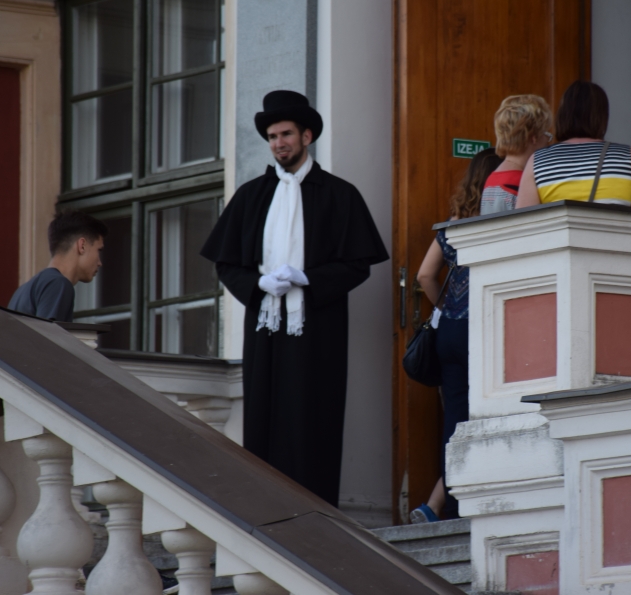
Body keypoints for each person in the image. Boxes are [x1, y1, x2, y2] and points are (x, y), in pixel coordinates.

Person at [200, 90, 389, 507]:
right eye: (272, 136)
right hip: (265, 327)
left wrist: (309, 279)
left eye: (286, 134)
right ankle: (266, 508)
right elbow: (227, 265)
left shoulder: (339, 194)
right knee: (264, 415)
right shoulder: (251, 196)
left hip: (318, 328)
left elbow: (358, 264)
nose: (278, 143)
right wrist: (258, 285)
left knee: (313, 415)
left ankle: (316, 513)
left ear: (307, 136)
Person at [410, 147, 502, 523]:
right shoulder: (500, 221)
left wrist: (447, 307)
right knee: (491, 415)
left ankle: (444, 508)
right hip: (485, 329)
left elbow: (424, 275)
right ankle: (469, 502)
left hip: (449, 330)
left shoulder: (454, 224)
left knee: (455, 421)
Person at [517, 80, 631, 209]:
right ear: (602, 116)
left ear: (563, 114)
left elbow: (526, 221)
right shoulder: (627, 157)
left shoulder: (538, 161)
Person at [8, 210, 107, 322]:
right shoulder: (58, 284)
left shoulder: (21, 292)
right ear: (82, 245)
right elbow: (47, 333)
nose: (100, 263)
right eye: (99, 250)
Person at [480, 95, 553, 214]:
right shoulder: (522, 182)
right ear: (534, 137)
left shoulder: (492, 177)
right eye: (547, 134)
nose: (548, 141)